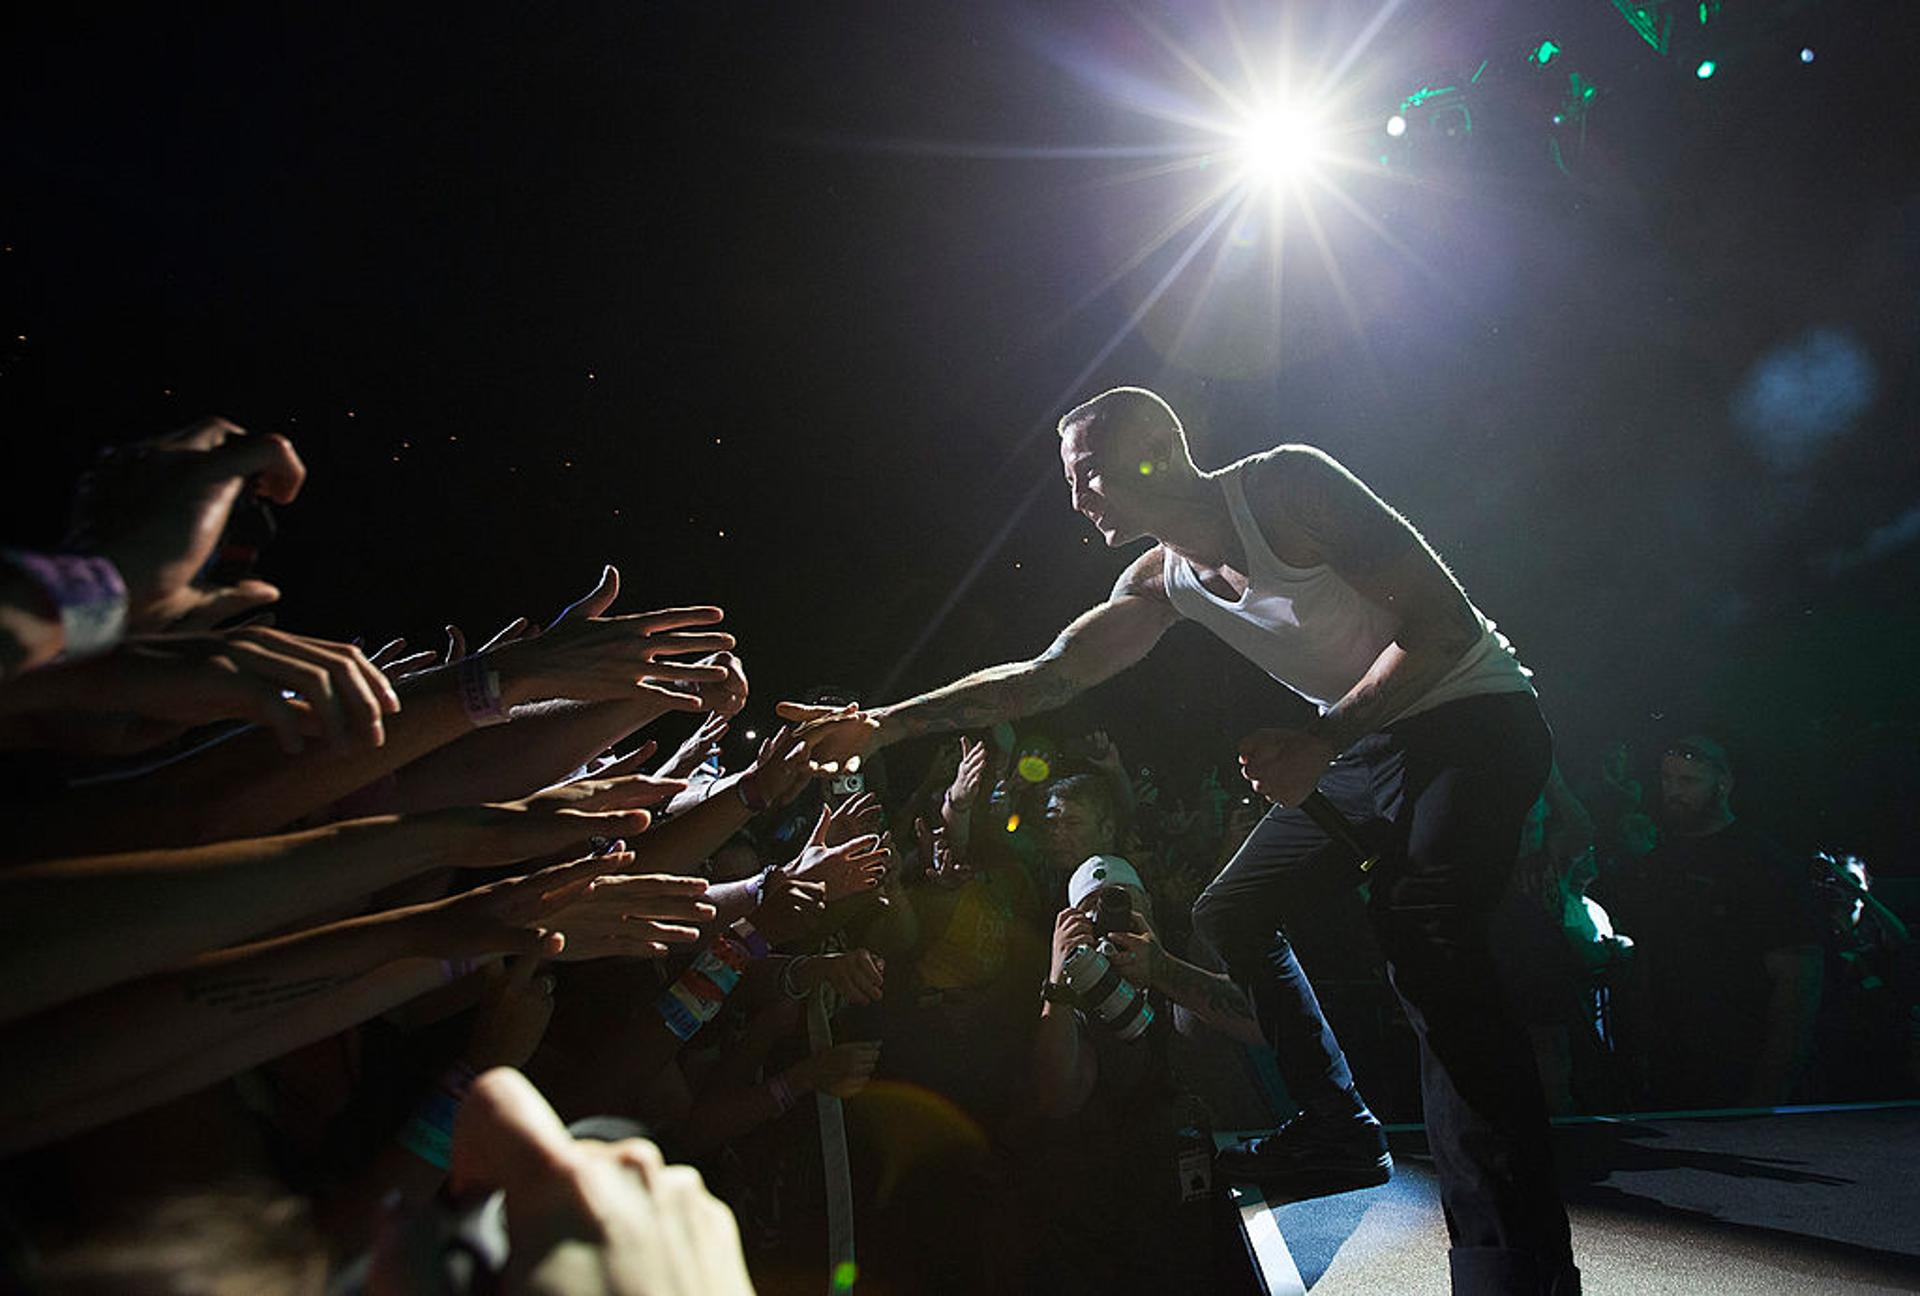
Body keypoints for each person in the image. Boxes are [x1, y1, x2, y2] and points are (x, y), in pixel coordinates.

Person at [781, 386, 1576, 1294]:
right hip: (1367, 741)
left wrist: (1319, 741)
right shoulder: (1161, 580)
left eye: (1086, 473)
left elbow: (1444, 627)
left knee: (1426, 927)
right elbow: (1045, 678)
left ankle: (1514, 1259)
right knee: (1233, 908)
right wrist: (883, 724)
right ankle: (1337, 1125)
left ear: (1155, 453)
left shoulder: (1286, 490)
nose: (1077, 497)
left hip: (1475, 715)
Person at [1599, 737, 1825, 1110]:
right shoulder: (1655, 864)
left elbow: (1798, 975)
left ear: (1723, 784)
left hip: (1738, 1057)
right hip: (1669, 1064)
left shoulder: (1761, 864)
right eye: (1667, 779)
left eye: (1688, 782)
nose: (1673, 792)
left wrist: (1772, 1081)